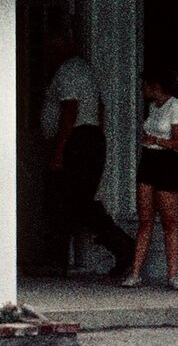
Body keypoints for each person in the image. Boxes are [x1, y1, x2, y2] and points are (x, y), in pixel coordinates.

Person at [39, 31, 131, 274]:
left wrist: (59, 152)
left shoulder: (69, 71)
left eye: (53, 46)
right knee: (74, 201)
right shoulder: (83, 69)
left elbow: (70, 110)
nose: (48, 52)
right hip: (88, 140)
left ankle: (121, 246)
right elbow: (99, 107)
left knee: (65, 199)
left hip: (77, 141)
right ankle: (120, 246)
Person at [126, 70, 178, 290]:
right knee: (145, 219)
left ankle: (172, 275)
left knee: (168, 220)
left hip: (168, 163)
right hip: (149, 159)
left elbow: (177, 143)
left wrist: (154, 139)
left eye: (146, 85)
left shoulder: (177, 107)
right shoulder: (153, 108)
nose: (143, 89)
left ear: (157, 86)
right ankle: (135, 273)